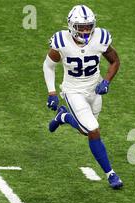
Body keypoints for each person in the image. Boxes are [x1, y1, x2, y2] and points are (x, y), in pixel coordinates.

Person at [42, 4, 123, 189]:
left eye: (88, 26)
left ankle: (63, 116)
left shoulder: (100, 38)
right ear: (71, 25)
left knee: (85, 130)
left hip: (94, 89)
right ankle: (111, 174)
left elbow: (115, 61)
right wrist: (52, 92)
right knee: (93, 129)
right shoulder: (61, 42)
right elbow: (48, 66)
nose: (86, 30)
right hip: (73, 91)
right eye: (81, 26)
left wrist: (106, 81)